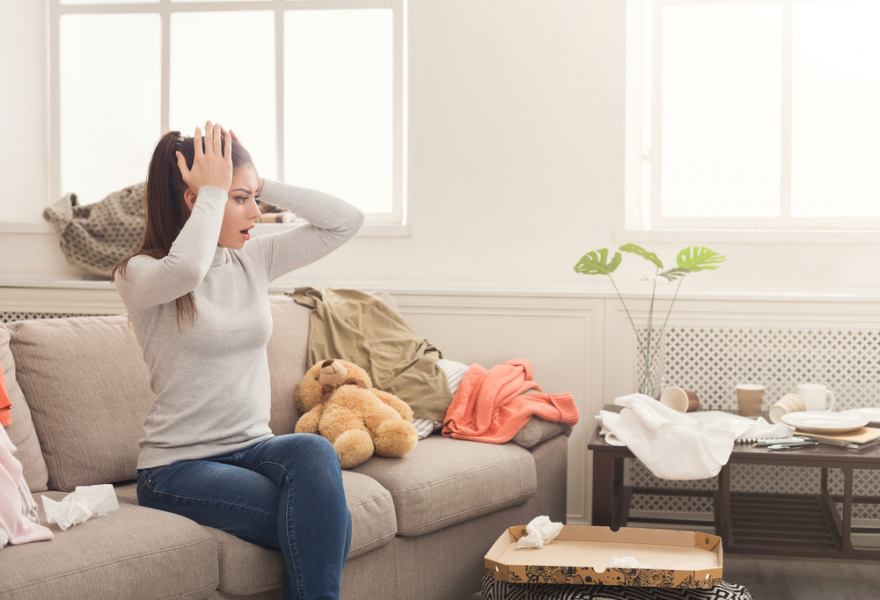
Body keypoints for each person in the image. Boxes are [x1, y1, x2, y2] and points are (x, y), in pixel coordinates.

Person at [112, 121, 364, 600]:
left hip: (253, 450)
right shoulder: (138, 274)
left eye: (255, 198)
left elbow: (345, 221)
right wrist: (215, 186)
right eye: (241, 199)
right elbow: (187, 269)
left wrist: (256, 179)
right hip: (176, 470)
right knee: (327, 527)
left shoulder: (253, 258)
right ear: (197, 202)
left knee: (314, 453)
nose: (258, 212)